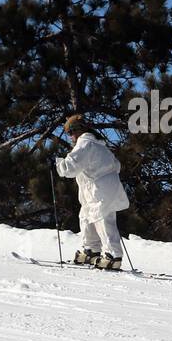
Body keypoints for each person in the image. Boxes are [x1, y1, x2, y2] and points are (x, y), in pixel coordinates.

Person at [55, 114, 129, 270]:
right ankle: (91, 250)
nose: (70, 137)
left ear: (78, 131)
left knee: (103, 218)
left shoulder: (85, 144)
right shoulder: (99, 145)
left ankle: (113, 255)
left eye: (71, 132)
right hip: (98, 187)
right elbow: (116, 165)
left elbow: (70, 167)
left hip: (100, 188)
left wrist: (58, 165)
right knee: (87, 216)